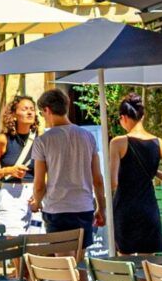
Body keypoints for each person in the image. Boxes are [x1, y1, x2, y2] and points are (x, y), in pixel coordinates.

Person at [28, 86, 106, 247]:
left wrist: (36, 203)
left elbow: (40, 184)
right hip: (83, 206)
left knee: (63, 264)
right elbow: (97, 179)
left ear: (47, 110)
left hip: (57, 208)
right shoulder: (88, 137)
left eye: (42, 113)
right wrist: (101, 208)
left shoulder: (42, 141)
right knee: (79, 263)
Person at [108, 95, 162, 257]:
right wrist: (154, 172)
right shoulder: (159, 143)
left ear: (124, 118)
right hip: (148, 209)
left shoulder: (117, 143)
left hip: (125, 209)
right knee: (147, 268)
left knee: (125, 267)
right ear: (143, 116)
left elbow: (113, 183)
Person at [0, 94, 41, 235]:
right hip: (11, 193)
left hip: (34, 193)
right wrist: (9, 170)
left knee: (36, 242)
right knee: (12, 242)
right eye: (24, 109)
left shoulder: (40, 140)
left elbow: (46, 172)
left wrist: (41, 193)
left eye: (32, 109)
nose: (29, 112)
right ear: (14, 115)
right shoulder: (3, 140)